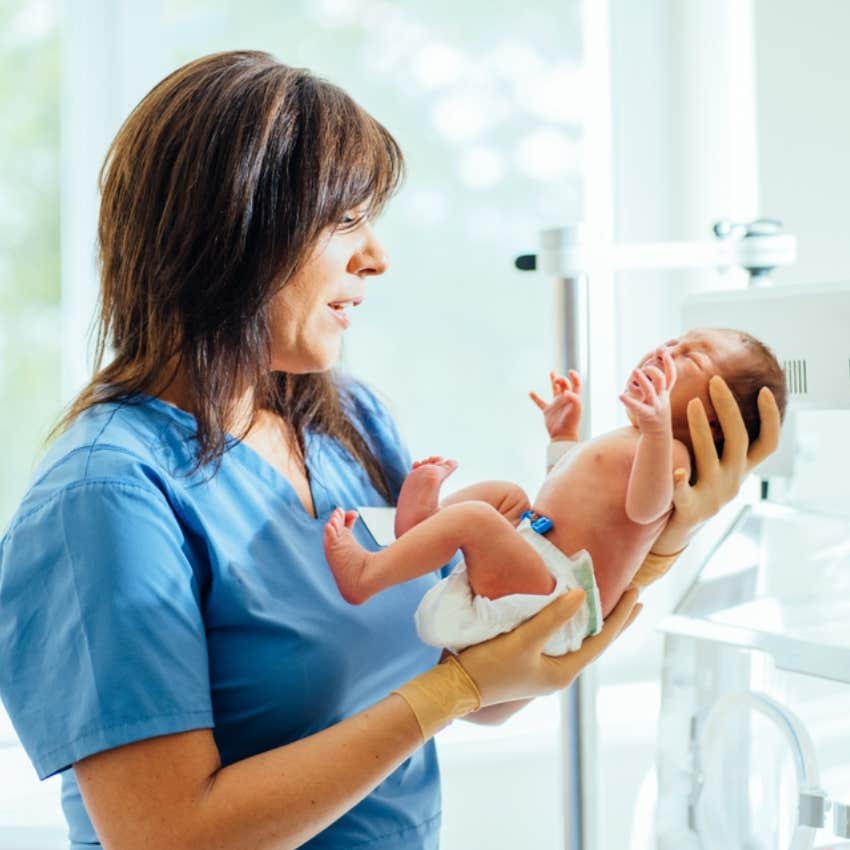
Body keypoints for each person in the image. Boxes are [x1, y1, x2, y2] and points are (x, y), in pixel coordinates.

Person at [0, 51, 781, 850]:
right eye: (345, 222)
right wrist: (451, 694)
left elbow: (495, 671)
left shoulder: (347, 425)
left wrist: (655, 540)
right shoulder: (106, 496)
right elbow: (167, 835)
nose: (377, 257)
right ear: (235, 230)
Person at [323, 328, 787, 655]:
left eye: (692, 357)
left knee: (479, 521)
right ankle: (420, 532)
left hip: (561, 602)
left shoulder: (672, 455)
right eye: (673, 341)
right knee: (505, 497)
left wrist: (656, 430)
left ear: (715, 419)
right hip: (539, 561)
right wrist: (563, 434)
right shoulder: (633, 440)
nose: (667, 350)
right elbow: (567, 490)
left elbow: (645, 510)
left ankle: (368, 575)